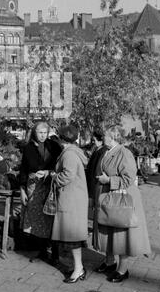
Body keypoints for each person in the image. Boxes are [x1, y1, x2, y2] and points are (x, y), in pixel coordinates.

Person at [94, 125, 151, 282]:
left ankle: (123, 269)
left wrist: (109, 180)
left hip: (121, 199)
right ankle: (110, 262)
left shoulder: (124, 153)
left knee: (121, 235)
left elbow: (128, 179)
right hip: (108, 198)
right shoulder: (105, 151)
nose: (102, 137)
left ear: (113, 136)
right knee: (107, 231)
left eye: (104, 135)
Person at [50, 123, 89, 283]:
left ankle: (78, 269)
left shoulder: (69, 155)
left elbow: (67, 175)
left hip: (71, 199)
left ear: (61, 139)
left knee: (72, 237)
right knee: (73, 236)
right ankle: (78, 267)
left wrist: (53, 177)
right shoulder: (74, 152)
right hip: (74, 198)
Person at [19, 121, 62, 263]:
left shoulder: (54, 146)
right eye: (40, 133)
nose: (43, 136)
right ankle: (42, 251)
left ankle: (55, 254)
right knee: (37, 219)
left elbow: (60, 167)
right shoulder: (28, 148)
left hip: (50, 186)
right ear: (34, 132)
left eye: (45, 133)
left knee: (51, 218)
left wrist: (49, 172)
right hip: (33, 186)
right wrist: (22, 190)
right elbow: (24, 169)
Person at [85, 129, 109, 250]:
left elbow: (96, 170)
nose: (92, 141)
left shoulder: (103, 151)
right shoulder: (98, 150)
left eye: (93, 139)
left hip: (96, 185)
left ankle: (99, 241)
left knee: (96, 213)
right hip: (92, 184)